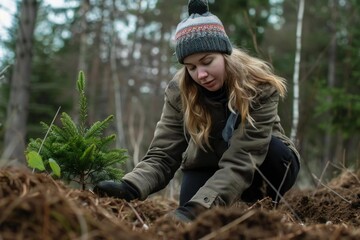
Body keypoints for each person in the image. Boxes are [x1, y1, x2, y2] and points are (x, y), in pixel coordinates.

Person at [94, 0, 300, 222]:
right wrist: (130, 187)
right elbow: (164, 154)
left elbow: (243, 159)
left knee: (276, 154)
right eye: (191, 67)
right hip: (207, 161)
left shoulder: (258, 86)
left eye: (207, 61)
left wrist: (199, 209)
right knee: (191, 212)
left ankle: (261, 211)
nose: (201, 74)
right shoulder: (178, 90)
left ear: (225, 54)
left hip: (262, 163)